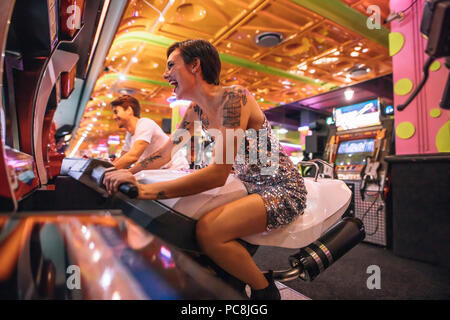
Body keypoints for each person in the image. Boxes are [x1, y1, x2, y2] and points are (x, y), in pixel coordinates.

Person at [103, 39, 307, 300]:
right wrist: (131, 171)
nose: (165, 74)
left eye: (171, 66)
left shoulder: (235, 99)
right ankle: (223, 279)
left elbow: (217, 173)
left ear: (195, 65)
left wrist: (144, 191)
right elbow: (166, 151)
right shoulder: (196, 109)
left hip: (280, 188)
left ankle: (264, 291)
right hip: (246, 185)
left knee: (209, 230)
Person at [110, 94, 189, 170]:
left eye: (116, 112)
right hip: (160, 170)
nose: (114, 117)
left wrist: (109, 171)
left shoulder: (144, 123)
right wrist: (111, 166)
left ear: (129, 110)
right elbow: (123, 158)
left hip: (175, 167)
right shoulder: (129, 135)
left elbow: (133, 156)